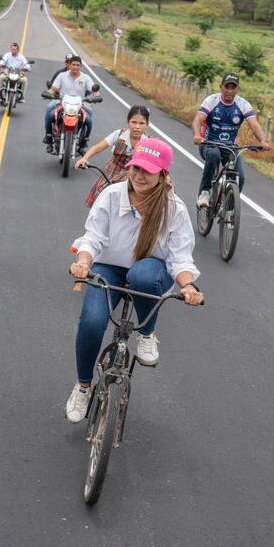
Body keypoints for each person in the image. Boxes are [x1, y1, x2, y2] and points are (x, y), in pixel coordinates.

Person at [65, 138, 204, 422]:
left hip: (150, 270)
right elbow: (93, 237)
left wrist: (188, 286)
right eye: (136, 168)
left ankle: (147, 334)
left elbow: (180, 258)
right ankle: (83, 387)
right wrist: (83, 263)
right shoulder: (111, 195)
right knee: (91, 322)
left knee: (141, 275)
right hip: (109, 266)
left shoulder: (174, 209)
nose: (139, 175)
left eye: (148, 171)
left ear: (163, 174)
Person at [191, 73, 270, 208]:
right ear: (221, 87)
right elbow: (197, 120)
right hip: (209, 143)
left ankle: (229, 209)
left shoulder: (243, 104)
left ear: (237, 89)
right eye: (227, 87)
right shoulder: (211, 101)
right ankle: (205, 192)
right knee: (214, 155)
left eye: (233, 88)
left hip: (230, 147)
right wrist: (197, 135)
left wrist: (263, 140)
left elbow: (254, 124)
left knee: (240, 177)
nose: (230, 91)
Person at [76, 106, 150, 207]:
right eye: (134, 122)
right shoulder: (119, 134)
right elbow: (98, 147)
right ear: (127, 122)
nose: (137, 126)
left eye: (141, 123)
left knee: (136, 202)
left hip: (133, 175)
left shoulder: (149, 143)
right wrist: (84, 158)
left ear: (147, 124)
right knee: (101, 195)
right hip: (111, 171)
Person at [45, 55, 98, 151]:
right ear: (70, 65)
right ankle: (48, 138)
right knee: (50, 115)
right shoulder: (62, 76)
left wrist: (97, 96)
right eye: (73, 64)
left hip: (80, 104)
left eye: (78, 65)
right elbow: (53, 89)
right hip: (62, 103)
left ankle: (84, 142)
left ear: (81, 66)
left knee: (88, 120)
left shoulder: (86, 78)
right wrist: (48, 93)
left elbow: (94, 90)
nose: (75, 67)